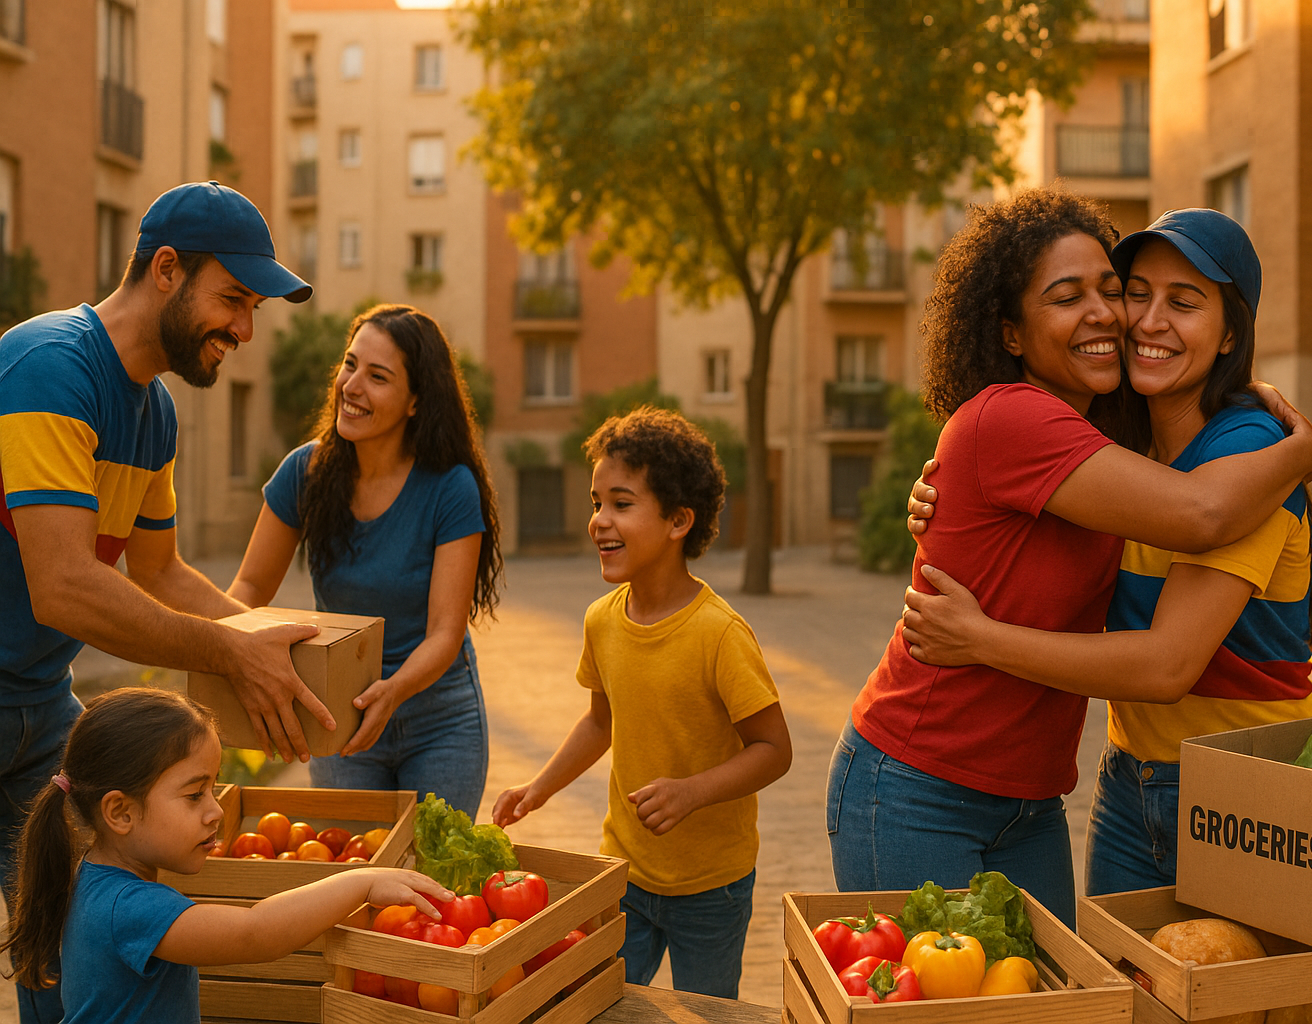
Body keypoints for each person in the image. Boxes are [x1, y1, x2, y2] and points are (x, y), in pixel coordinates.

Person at [826, 192, 1312, 927]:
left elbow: (1191, 519)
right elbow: (1201, 513)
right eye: (1069, 297)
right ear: (1011, 334)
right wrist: (1306, 449)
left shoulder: (1120, 438)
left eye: (1108, 291)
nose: (1117, 315)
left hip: (1036, 801)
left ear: (1228, 332)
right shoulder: (1022, 419)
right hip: (917, 784)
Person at [0, 181, 332, 1024]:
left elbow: (159, 570)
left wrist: (280, 648)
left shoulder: (154, 414)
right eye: (232, 300)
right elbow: (65, 583)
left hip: (38, 705)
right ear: (167, 270)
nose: (245, 330)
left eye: (252, 308)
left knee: (61, 954)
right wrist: (228, 652)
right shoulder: (50, 368)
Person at [491, 408, 792, 999]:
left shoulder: (719, 635)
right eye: (596, 502)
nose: (599, 521)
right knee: (601, 1003)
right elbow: (601, 720)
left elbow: (774, 750)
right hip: (624, 870)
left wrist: (691, 792)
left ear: (679, 520)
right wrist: (540, 788)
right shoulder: (602, 620)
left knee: (707, 1013)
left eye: (621, 504)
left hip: (712, 885)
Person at [0, 687, 452, 1024]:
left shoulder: (96, 875)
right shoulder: (131, 909)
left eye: (212, 789)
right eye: (195, 795)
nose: (215, 811)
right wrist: (361, 880)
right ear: (121, 812)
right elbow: (255, 935)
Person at [227, 304, 504, 816]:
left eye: (377, 377)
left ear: (415, 401)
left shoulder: (449, 487)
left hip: (439, 722)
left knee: (429, 880)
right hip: (340, 714)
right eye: (350, 364)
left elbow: (445, 633)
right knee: (351, 876)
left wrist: (393, 691)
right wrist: (224, 648)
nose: (352, 386)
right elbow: (248, 587)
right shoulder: (303, 472)